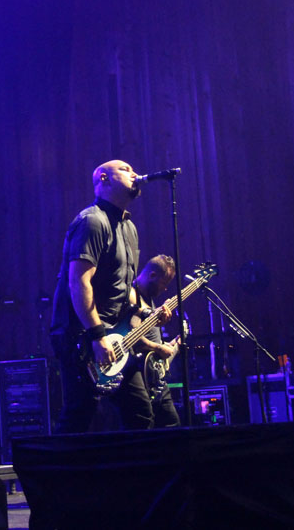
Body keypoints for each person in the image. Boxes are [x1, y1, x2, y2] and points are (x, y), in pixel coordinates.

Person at [50, 159, 169, 433]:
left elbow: (123, 287)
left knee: (140, 414)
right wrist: (97, 335)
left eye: (134, 170)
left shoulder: (130, 228)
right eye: (125, 170)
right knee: (79, 416)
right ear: (104, 178)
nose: (134, 174)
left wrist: (147, 314)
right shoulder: (92, 221)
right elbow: (79, 281)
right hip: (81, 334)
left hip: (116, 336)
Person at [133, 254, 182, 428]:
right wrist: (159, 348)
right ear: (152, 275)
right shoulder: (133, 297)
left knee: (172, 424)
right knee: (144, 423)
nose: (165, 289)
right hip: (138, 374)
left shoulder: (150, 300)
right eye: (164, 283)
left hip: (155, 376)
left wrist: (170, 345)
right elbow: (132, 337)